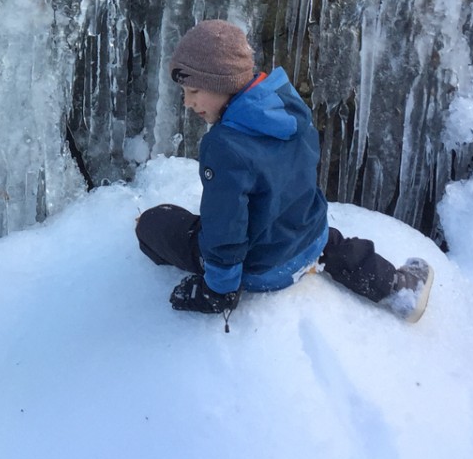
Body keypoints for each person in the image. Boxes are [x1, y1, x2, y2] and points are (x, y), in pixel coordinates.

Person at [135, 20, 433, 324]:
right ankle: (399, 287)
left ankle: (170, 242)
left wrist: (218, 291)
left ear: (221, 82)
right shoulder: (285, 103)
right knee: (338, 246)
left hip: (263, 268)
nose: (187, 102)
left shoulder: (224, 145)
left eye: (194, 90)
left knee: (156, 222)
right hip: (311, 239)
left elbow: (225, 227)